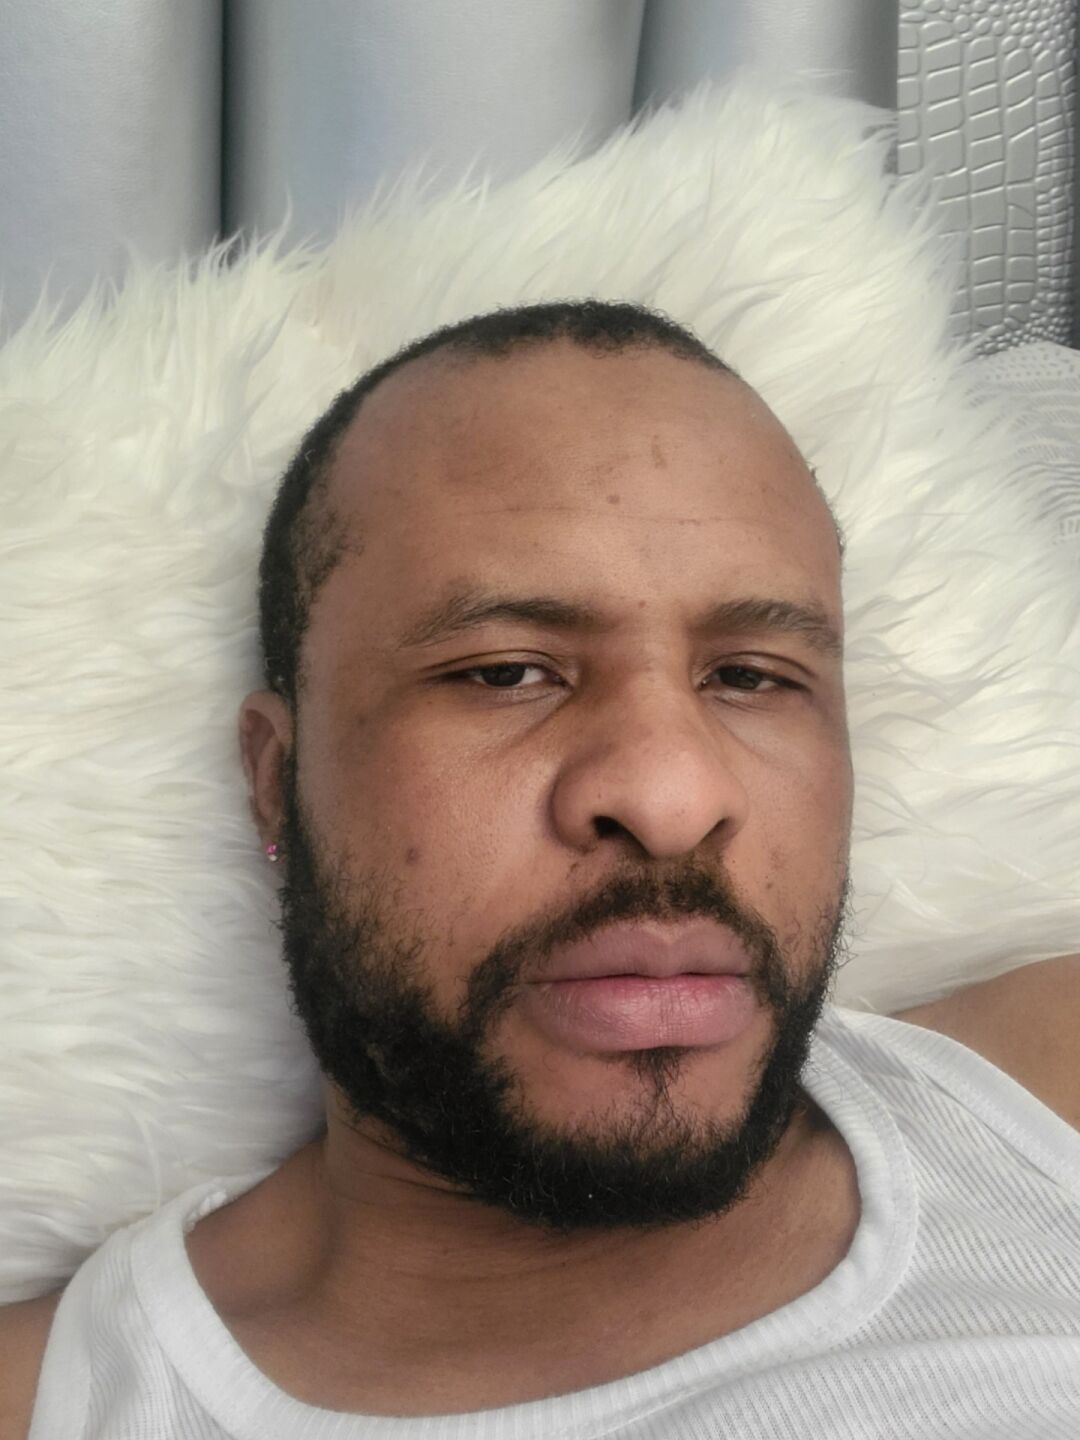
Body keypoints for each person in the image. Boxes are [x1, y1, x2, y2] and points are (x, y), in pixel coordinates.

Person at [3, 300, 1079, 1438]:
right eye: (507, 672)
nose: (672, 801)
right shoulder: (58, 1400)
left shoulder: (1045, 1092)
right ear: (279, 780)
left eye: (752, 676)